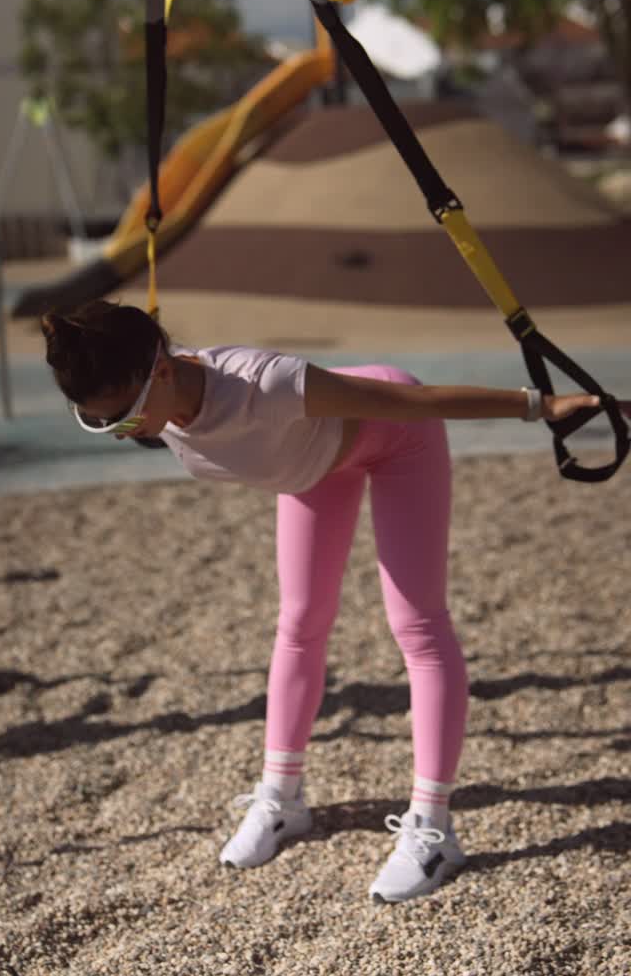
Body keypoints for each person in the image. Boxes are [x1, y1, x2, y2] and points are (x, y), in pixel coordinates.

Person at [41, 299, 603, 903]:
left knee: (416, 625)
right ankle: (282, 799)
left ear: (159, 373)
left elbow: (417, 404)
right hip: (312, 465)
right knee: (300, 621)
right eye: (101, 424)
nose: (123, 434)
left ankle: (435, 828)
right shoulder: (161, 404)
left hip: (395, 439)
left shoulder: (265, 384)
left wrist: (537, 406)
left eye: (122, 418)